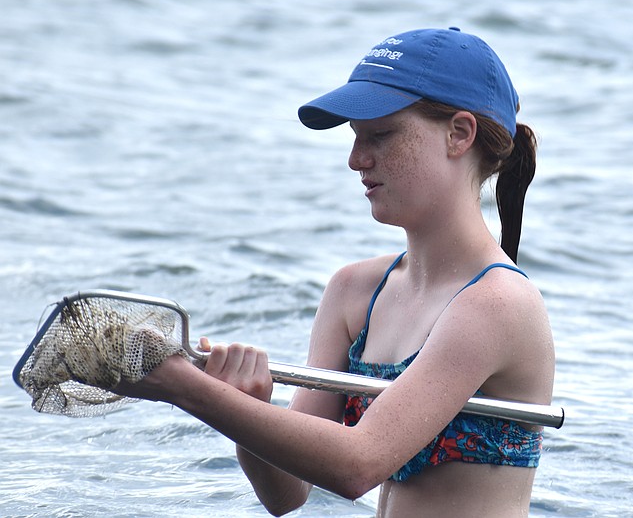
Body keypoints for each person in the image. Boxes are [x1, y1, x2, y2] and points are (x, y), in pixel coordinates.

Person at [118, 27, 555, 517]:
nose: (355, 160)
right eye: (354, 138)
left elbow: (357, 465)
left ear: (459, 133)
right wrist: (246, 406)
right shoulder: (353, 292)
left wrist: (182, 386)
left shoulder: (497, 303)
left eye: (380, 135)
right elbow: (287, 494)